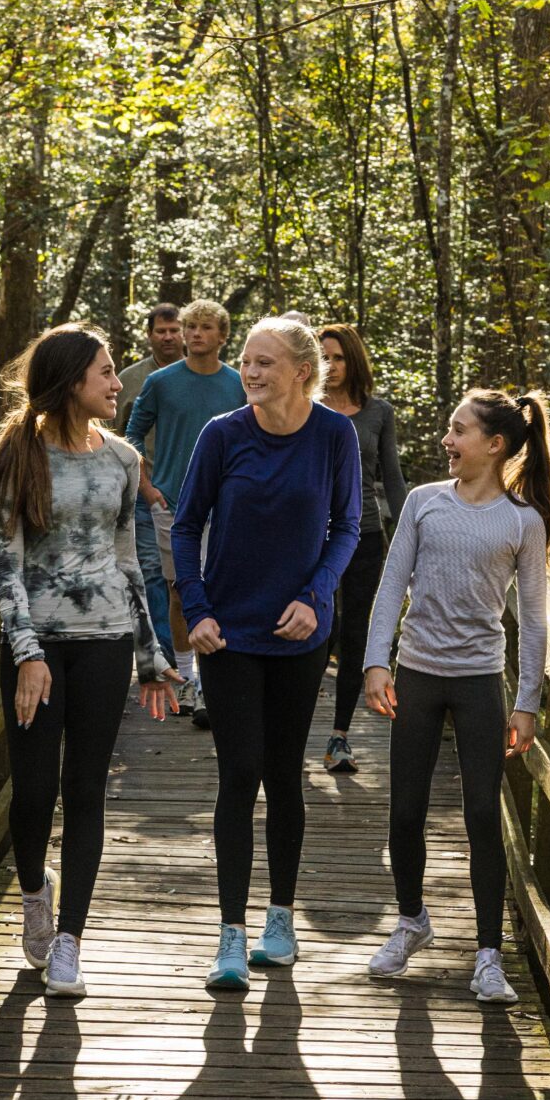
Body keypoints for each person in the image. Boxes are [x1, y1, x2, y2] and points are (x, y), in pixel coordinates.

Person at [0, 324, 180, 998]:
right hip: (36, 648)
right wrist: (27, 653)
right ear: (73, 381)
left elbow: (131, 561)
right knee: (35, 791)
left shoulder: (123, 459)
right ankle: (36, 894)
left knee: (88, 791)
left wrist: (153, 652)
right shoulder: (16, 455)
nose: (115, 382)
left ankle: (69, 941)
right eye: (105, 372)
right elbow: (4, 567)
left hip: (106, 644)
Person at [172, 318, 361, 991]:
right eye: (247, 362)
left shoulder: (334, 435)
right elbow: (187, 523)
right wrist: (196, 611)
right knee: (239, 771)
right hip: (228, 632)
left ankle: (279, 921)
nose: (250, 373)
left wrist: (315, 596)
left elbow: (347, 527)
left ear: (303, 371)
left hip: (300, 633)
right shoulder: (223, 434)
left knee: (284, 774)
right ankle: (229, 935)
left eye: (264, 363)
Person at [362, 389, 550, 1005]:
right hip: (417, 673)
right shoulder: (423, 503)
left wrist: (526, 702)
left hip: (478, 683)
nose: (447, 440)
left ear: (493, 446)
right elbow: (392, 586)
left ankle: (488, 956)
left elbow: (534, 618)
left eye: (458, 430)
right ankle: (413, 920)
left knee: (480, 819)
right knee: (405, 813)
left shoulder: (523, 521)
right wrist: (375, 662)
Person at [126, 299, 247, 724]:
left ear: (222, 336)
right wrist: (147, 486)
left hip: (227, 504)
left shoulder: (238, 383)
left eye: (205, 327)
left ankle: (217, 681)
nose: (195, 333)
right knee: (180, 590)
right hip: (172, 503)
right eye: (190, 326)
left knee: (221, 589)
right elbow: (132, 435)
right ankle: (189, 678)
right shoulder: (161, 382)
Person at [318, 323, 409, 772]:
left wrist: (415, 533)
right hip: (311, 538)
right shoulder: (302, 409)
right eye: (322, 357)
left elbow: (391, 478)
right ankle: (289, 729)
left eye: (337, 357)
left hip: (365, 536)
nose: (330, 366)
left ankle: (340, 736)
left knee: (355, 633)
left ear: (353, 360)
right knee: (321, 626)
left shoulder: (378, 413)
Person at [117, 305, 184, 666]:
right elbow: (116, 436)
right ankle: (168, 656)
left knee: (190, 579)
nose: (169, 337)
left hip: (197, 496)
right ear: (150, 334)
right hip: (147, 493)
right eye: (162, 330)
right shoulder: (129, 379)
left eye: (175, 330)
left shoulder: (206, 376)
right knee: (154, 574)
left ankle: (196, 660)